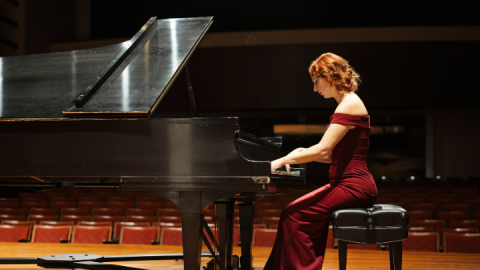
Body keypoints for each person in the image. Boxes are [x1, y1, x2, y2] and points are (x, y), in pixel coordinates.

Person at [265, 52, 378, 270]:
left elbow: (323, 149)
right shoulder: (348, 103)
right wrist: (301, 151)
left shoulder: (349, 104)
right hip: (346, 184)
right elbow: (332, 156)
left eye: (316, 82)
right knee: (291, 212)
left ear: (329, 76)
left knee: (295, 215)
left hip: (355, 186)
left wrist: (282, 161)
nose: (315, 89)